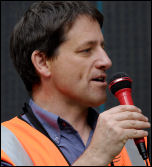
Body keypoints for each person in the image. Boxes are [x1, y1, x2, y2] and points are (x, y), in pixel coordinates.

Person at [1, 1, 151, 166]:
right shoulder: (6, 146)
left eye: (103, 48)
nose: (106, 61)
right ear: (42, 62)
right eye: (86, 50)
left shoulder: (132, 140)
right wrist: (95, 157)